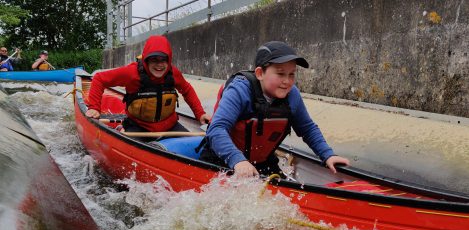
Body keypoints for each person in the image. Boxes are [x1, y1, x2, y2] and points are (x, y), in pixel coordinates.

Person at [200, 41, 350, 177]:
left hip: (263, 163)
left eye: (291, 74)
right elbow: (217, 129)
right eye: (280, 73)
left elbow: (307, 129)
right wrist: (238, 161)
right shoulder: (239, 91)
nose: (287, 81)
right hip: (221, 159)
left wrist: (328, 155)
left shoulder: (292, 95)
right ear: (260, 73)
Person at [85, 35, 210, 133]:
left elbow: (187, 90)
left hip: (170, 126)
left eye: (163, 60)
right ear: (146, 60)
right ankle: (121, 129)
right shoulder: (131, 73)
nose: (159, 65)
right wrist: (94, 108)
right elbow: (99, 79)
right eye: (154, 60)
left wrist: (200, 114)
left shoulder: (173, 73)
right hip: (138, 127)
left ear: (169, 59)